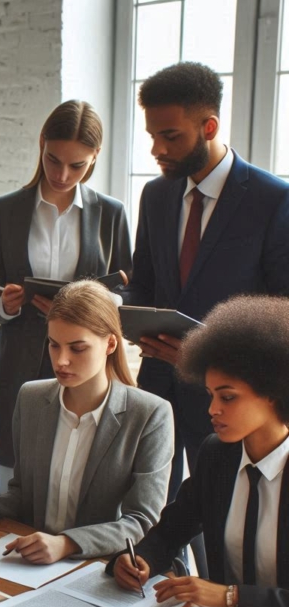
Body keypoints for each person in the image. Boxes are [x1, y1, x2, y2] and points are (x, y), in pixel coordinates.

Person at [121, 61, 289, 501]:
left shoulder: (273, 200)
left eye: (170, 136)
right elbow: (145, 284)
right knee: (155, 512)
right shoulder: (155, 195)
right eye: (153, 136)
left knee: (220, 519)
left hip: (229, 399)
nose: (157, 149)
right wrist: (113, 309)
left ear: (209, 125)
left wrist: (206, 351)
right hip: (157, 386)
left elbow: (282, 313)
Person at [111, 295, 289, 607]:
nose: (212, 410)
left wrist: (229, 596)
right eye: (210, 395)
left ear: (274, 392)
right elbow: (173, 529)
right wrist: (143, 559)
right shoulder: (216, 455)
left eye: (228, 397)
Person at [0, 281, 172, 563]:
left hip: (97, 569)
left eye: (77, 348)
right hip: (28, 564)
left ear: (110, 343)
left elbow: (141, 522)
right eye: (54, 345)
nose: (61, 360)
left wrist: (66, 544)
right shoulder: (31, 398)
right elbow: (23, 493)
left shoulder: (150, 414)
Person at [0, 100, 131, 466]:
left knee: (77, 463)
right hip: (17, 360)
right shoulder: (6, 209)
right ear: (42, 143)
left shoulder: (111, 213)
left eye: (77, 164)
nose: (62, 174)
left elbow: (126, 289)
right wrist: (5, 305)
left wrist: (96, 306)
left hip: (86, 362)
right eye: (53, 160)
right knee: (10, 463)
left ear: (95, 157)